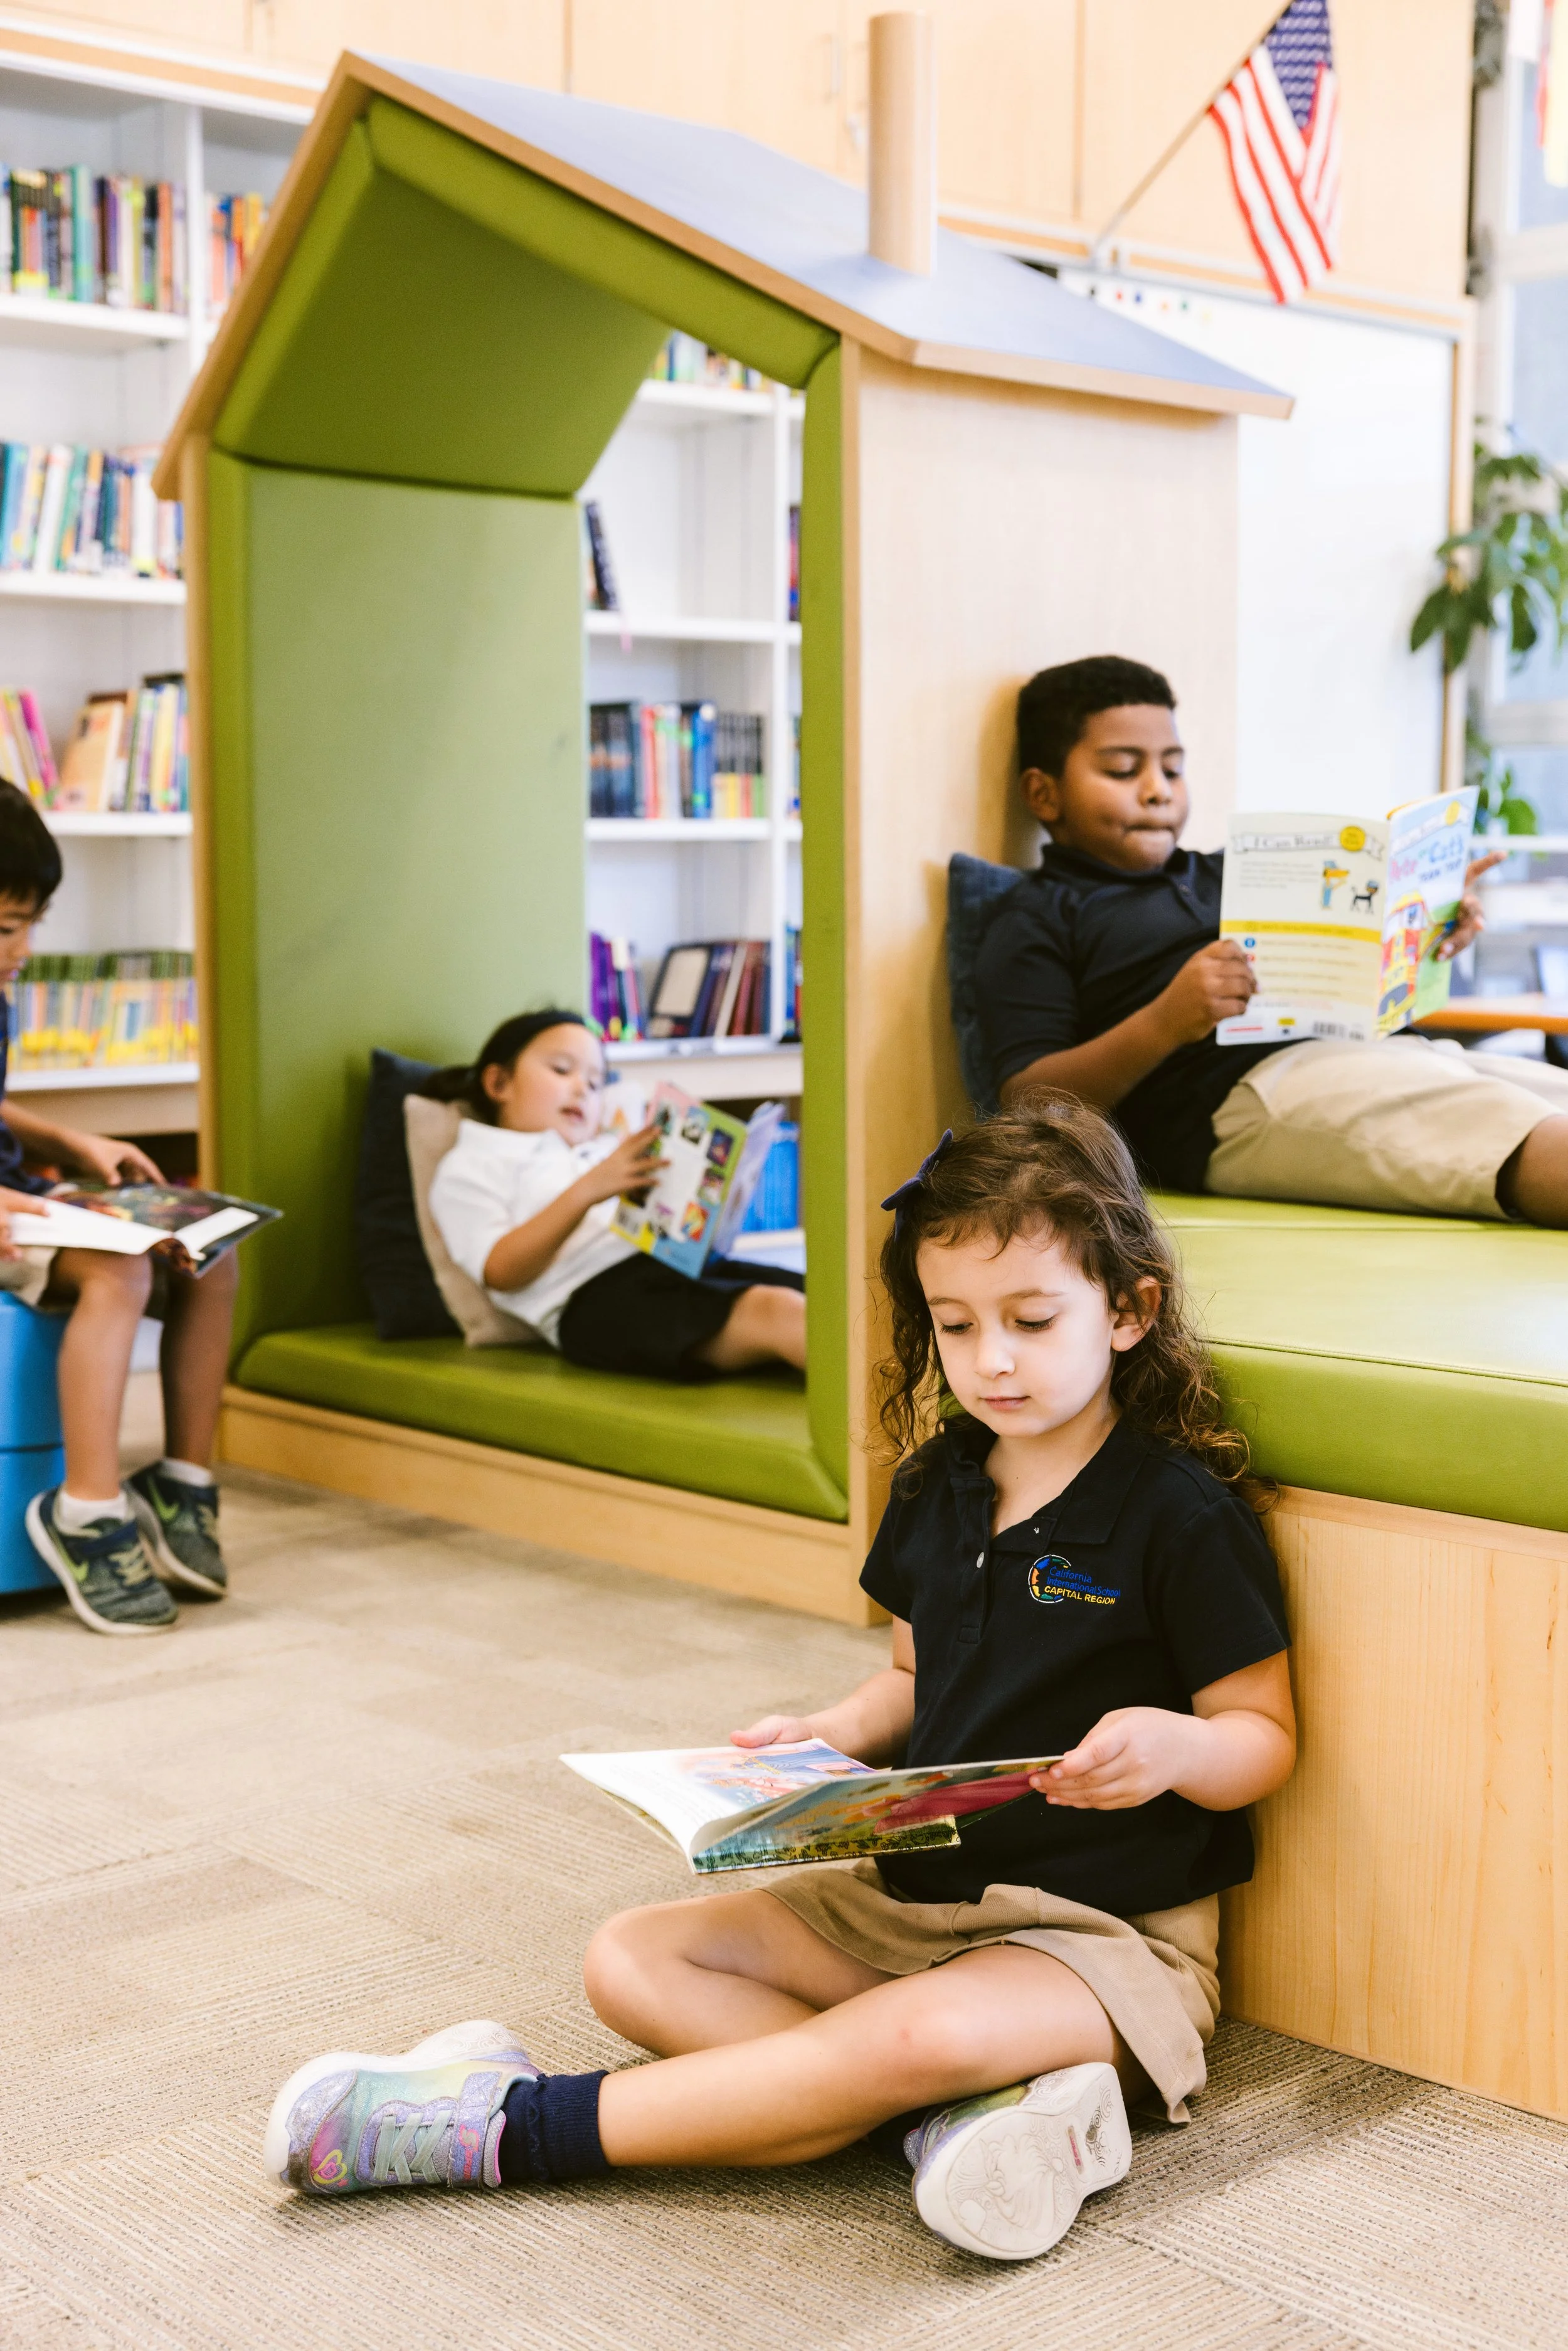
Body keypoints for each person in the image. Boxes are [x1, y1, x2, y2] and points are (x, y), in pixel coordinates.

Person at [263, 1105, 1293, 2264]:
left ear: (1128, 1308)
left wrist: (1176, 1746)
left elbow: (1261, 1731)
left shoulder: (1179, 1515)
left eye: (1032, 1319)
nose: (991, 1357)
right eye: (955, 1325)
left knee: (914, 2030)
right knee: (634, 1956)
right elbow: (909, 1675)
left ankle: (506, 2121)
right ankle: (962, 2114)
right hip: (906, 1901)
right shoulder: (935, 1484)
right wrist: (827, 1734)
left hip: (1097, 1940)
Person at [976, 654, 1568, 1224]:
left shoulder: (1229, 871)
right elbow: (1029, 1101)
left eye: (1173, 768)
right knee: (1515, 1132)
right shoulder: (1038, 913)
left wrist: (1422, 926)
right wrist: (1166, 1021)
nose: (1158, 790)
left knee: (1551, 1093)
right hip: (1238, 1100)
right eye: (1124, 770)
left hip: (1380, 1054)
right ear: (1044, 794)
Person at [0, 783, 236, 1635]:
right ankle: (89, 1513)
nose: (22, 949)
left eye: (31, 924)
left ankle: (182, 1483)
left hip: (20, 1195)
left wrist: (71, 1142)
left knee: (204, 1246)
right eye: (3, 929)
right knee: (117, 1265)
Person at [421, 1009, 805, 1379]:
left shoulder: (599, 1149)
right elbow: (501, 1272)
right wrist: (591, 1188)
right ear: (499, 1084)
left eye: (595, 1083)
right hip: (595, 1303)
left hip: (671, 1267)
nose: (582, 1089)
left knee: (830, 1292)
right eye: (561, 1070)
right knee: (777, 1311)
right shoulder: (472, 1163)